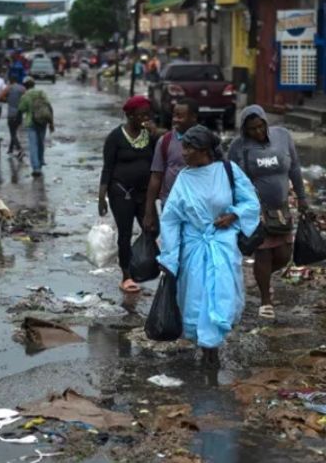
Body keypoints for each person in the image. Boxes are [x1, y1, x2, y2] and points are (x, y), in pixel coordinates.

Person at [157, 125, 260, 365]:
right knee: (196, 298)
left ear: (203, 150)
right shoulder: (184, 178)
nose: (183, 153)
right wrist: (169, 257)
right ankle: (206, 350)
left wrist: (233, 215)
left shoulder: (228, 171)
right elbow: (171, 219)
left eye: (188, 148)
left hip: (222, 246)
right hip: (194, 249)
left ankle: (212, 346)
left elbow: (251, 202)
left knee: (221, 295)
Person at [226, 104, 308, 319]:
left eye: (261, 126)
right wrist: (238, 209)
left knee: (283, 254)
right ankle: (265, 300)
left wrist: (302, 198)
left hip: (281, 208)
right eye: (252, 129)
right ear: (245, 129)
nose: (258, 132)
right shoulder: (238, 146)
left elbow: (295, 169)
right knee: (263, 253)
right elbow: (232, 179)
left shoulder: (283, 136)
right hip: (256, 209)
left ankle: (261, 278)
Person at [100, 96, 159, 293]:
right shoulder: (115, 137)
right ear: (129, 115)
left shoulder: (150, 136)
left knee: (152, 229)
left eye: (147, 115)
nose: (145, 118)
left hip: (144, 194)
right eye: (140, 115)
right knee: (124, 234)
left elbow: (159, 161)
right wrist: (102, 197)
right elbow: (107, 168)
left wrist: (155, 134)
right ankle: (126, 275)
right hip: (120, 193)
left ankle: (141, 262)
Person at [143, 98, 200, 233]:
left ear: (193, 117)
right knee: (171, 246)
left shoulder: (207, 142)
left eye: (180, 116)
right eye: (174, 115)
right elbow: (156, 176)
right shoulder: (165, 141)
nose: (175, 120)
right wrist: (149, 211)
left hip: (199, 206)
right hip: (170, 205)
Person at [17, 78, 54, 177]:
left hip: (31, 122)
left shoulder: (26, 95)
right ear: (33, 84)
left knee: (33, 145)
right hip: (43, 121)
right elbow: (48, 106)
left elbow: (21, 108)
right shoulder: (41, 92)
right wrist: (51, 122)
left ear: (25, 86)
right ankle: (41, 162)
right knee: (41, 143)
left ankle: (36, 168)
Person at [0, 75, 27, 157]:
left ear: (10, 81)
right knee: (14, 131)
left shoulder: (8, 88)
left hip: (11, 113)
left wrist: (7, 100)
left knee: (12, 133)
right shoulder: (22, 88)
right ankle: (10, 149)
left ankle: (20, 149)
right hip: (19, 113)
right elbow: (27, 99)